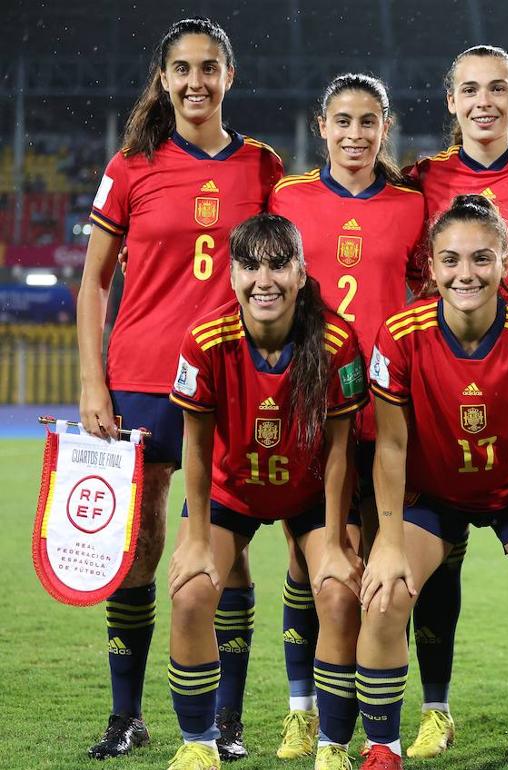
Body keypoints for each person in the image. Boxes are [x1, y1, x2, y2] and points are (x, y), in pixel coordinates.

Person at [77, 16, 283, 760]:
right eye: (183, 69)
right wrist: (92, 383)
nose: (197, 82)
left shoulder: (263, 167)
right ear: (164, 80)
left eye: (209, 68)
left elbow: (281, 273)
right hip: (140, 378)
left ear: (230, 77)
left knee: (225, 548)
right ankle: (126, 717)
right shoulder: (131, 164)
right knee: (139, 546)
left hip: (231, 384)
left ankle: (226, 722)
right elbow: (94, 282)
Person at [356, 194, 508, 770]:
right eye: (451, 260)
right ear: (432, 265)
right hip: (434, 496)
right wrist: (387, 541)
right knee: (384, 598)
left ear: (505, 261)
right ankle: (382, 749)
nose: (466, 273)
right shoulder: (400, 333)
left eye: (482, 258)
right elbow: (390, 446)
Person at [404, 45, 508, 760]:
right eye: (469, 89)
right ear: (451, 101)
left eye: (497, 88)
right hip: (445, 389)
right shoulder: (423, 180)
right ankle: (435, 709)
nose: (484, 101)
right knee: (437, 561)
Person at [164, 213, 366, 770]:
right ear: (232, 275)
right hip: (232, 493)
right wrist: (197, 541)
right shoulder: (205, 340)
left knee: (339, 594)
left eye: (279, 265)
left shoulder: (336, 340)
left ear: (301, 272)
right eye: (250, 266)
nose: (264, 280)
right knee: (190, 594)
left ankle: (331, 746)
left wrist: (336, 545)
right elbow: (196, 448)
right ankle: (199, 743)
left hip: (310, 494)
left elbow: (340, 450)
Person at [267, 71, 426, 760]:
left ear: (384, 129)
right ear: (321, 127)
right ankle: (303, 712)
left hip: (387, 413)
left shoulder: (413, 205)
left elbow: (428, 294)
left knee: (387, 565)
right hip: (310, 408)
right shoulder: (288, 198)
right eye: (343, 121)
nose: (355, 134)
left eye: (368, 122)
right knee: (311, 563)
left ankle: (382, 716)